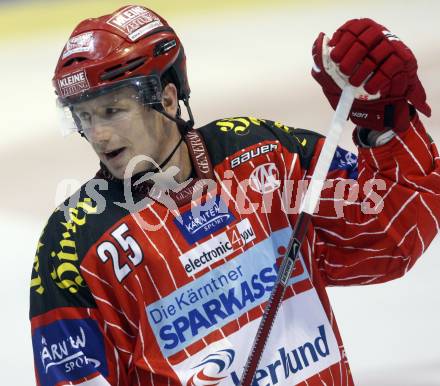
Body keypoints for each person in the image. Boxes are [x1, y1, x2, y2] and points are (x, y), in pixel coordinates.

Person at [30, 5, 440, 386]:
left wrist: (383, 126)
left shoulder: (263, 152)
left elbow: (393, 238)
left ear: (167, 97)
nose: (97, 134)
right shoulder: (70, 241)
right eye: (84, 116)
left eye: (112, 110)